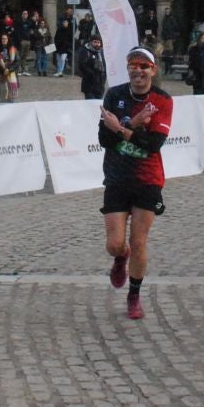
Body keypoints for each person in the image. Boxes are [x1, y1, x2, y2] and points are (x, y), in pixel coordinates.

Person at [98, 46, 174, 321]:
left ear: (153, 70)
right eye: (133, 65)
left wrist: (120, 127)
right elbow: (104, 140)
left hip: (147, 179)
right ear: (128, 69)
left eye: (144, 66)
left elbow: (152, 144)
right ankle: (121, 258)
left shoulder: (162, 101)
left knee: (139, 241)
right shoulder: (115, 95)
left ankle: (134, 296)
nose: (138, 71)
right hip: (117, 177)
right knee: (115, 244)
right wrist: (134, 123)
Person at [77, 34, 108, 100]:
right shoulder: (85, 51)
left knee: (97, 106)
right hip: (89, 85)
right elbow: (82, 65)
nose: (97, 44)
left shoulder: (102, 52)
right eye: (95, 42)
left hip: (100, 85)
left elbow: (105, 66)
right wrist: (92, 74)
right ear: (91, 42)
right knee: (90, 105)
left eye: (98, 42)